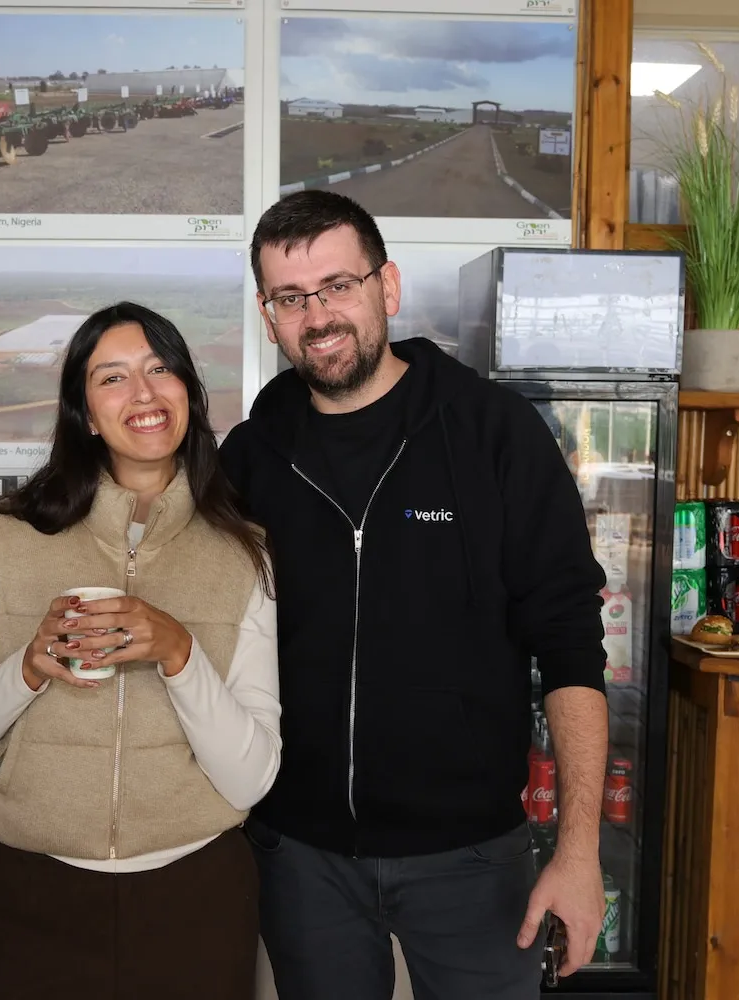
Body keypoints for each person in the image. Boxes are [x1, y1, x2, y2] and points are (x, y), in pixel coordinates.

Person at [220, 190, 609, 1000]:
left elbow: (572, 645)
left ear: (387, 288)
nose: (317, 317)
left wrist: (579, 852)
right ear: (268, 316)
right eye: (291, 298)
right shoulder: (252, 458)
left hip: (472, 857)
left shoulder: (495, 433)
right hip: (301, 855)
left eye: (338, 286)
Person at [0, 301, 281, 1000]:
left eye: (160, 369)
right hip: (29, 896)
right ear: (85, 414)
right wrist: (26, 669)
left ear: (188, 392)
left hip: (195, 899)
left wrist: (180, 653)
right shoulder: (13, 539)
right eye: (112, 378)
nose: (143, 393)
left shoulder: (244, 554)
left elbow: (251, 780)